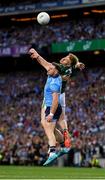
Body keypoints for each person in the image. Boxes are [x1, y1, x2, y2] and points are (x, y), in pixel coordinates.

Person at [29, 48, 85, 165]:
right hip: (61, 95)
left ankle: (54, 148)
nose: (63, 58)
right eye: (65, 57)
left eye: (66, 59)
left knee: (47, 123)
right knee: (56, 122)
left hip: (55, 96)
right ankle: (65, 138)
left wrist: (38, 55)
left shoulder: (58, 71)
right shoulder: (67, 68)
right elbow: (50, 65)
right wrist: (77, 64)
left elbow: (48, 65)